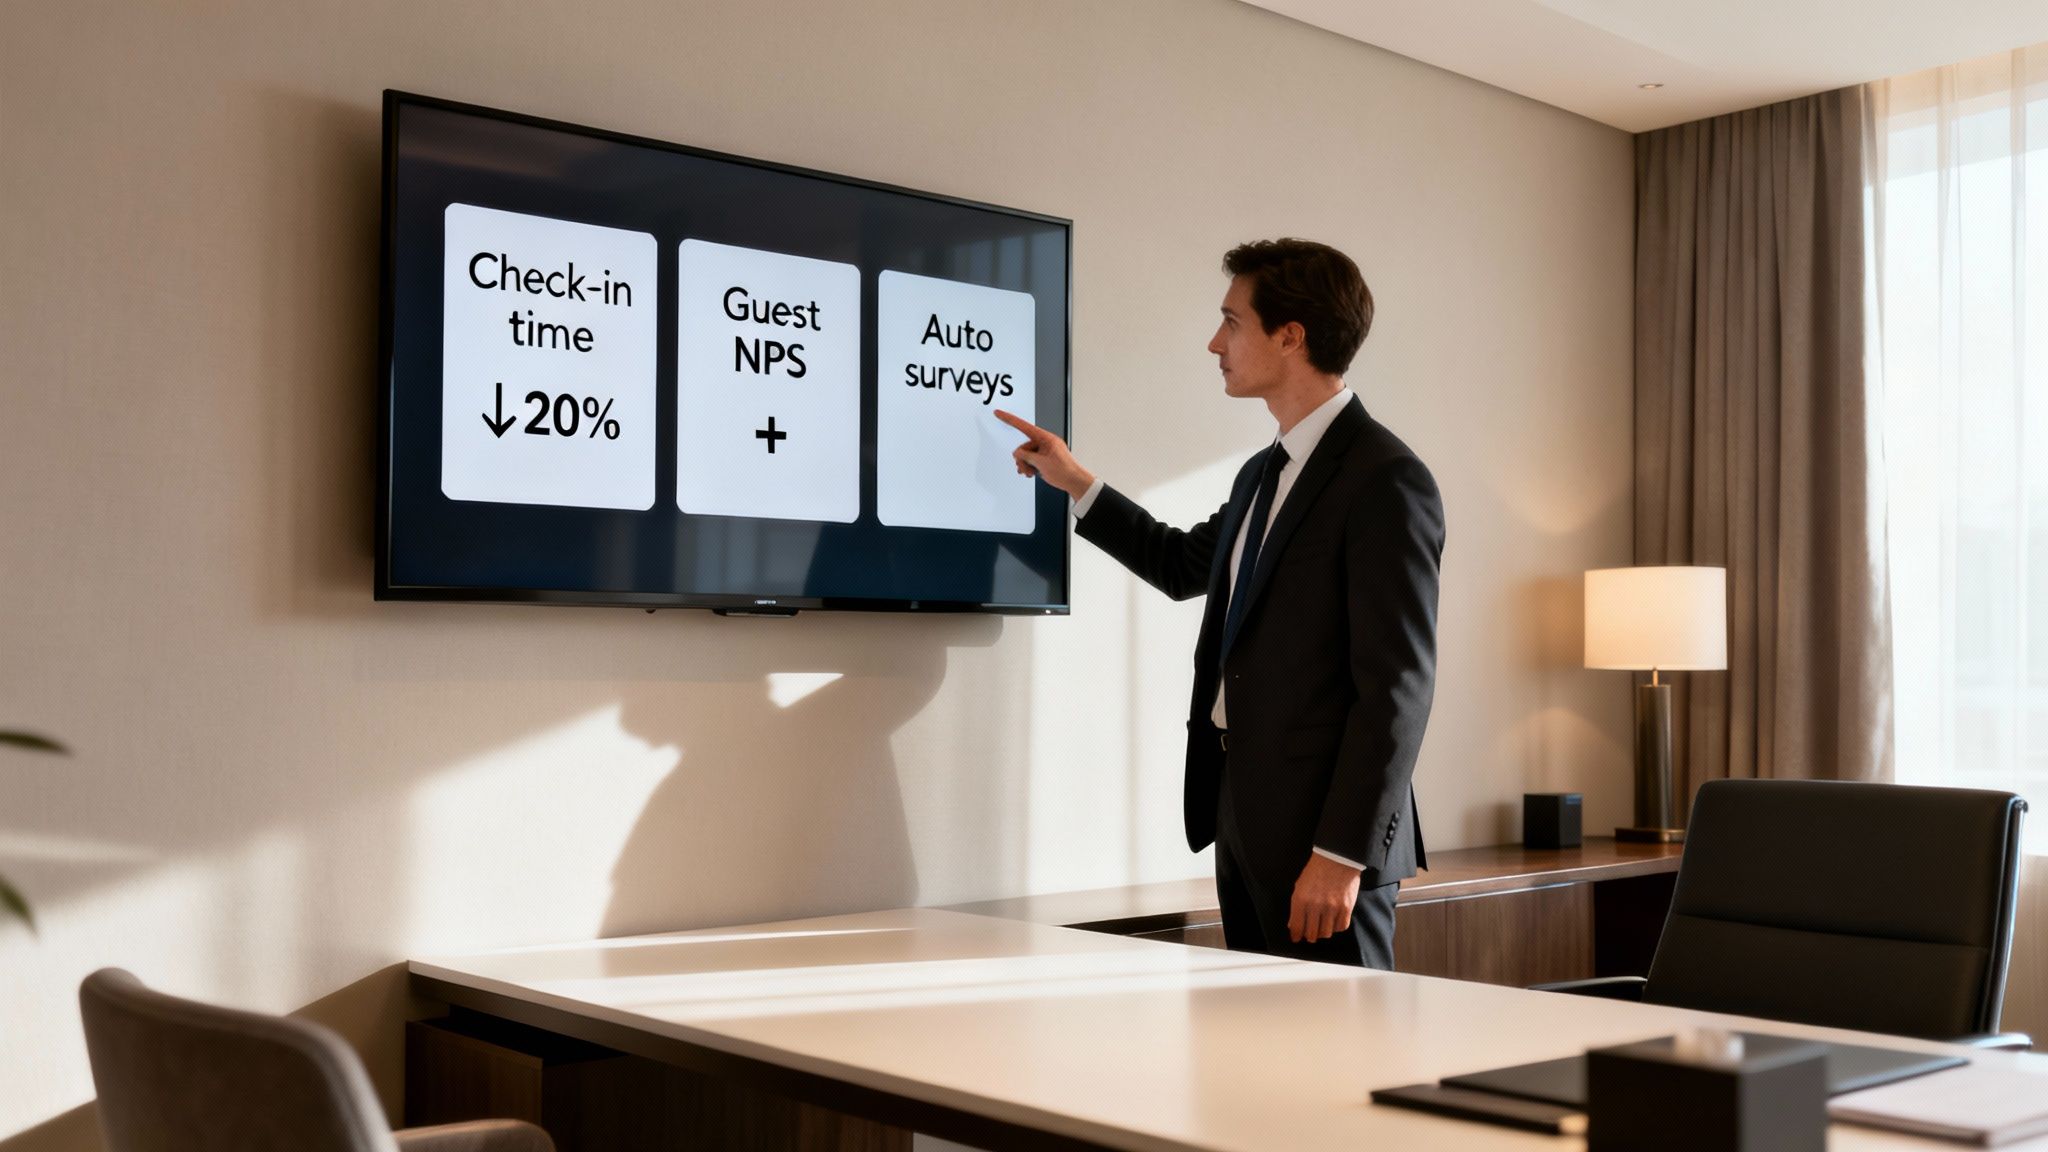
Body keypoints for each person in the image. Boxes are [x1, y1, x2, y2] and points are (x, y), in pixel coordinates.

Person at [995, 238, 1444, 969]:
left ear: (1290, 336)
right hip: (1242, 820)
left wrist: (1340, 854)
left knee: (1343, 1035)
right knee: (1257, 1037)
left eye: (1232, 322)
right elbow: (1180, 565)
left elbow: (1399, 687)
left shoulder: (1385, 478)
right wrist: (1075, 481)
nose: (1215, 342)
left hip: (1324, 845)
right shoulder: (1261, 474)